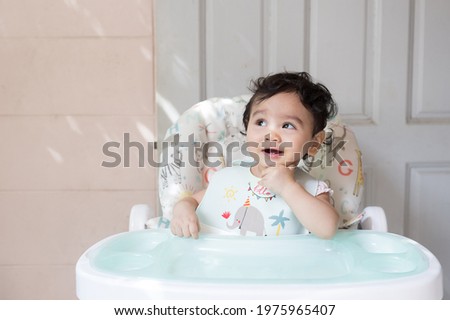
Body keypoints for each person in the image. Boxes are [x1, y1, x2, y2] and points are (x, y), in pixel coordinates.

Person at [170, 72, 339, 239]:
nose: (271, 135)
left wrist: (288, 187)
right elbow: (190, 202)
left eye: (287, 125)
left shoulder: (311, 190)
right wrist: (183, 212)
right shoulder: (228, 178)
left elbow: (328, 229)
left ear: (314, 143)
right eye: (261, 122)